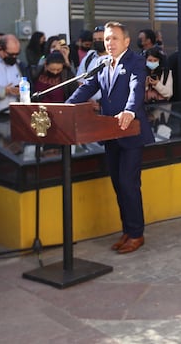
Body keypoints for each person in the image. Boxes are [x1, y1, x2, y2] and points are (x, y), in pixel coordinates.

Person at [66, 21, 154, 254]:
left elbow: (136, 88)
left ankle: (136, 234)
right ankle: (127, 230)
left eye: (114, 38)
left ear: (125, 41)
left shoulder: (135, 61)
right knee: (118, 184)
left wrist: (129, 110)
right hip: (109, 133)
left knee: (128, 183)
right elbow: (86, 88)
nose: (109, 42)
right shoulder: (100, 62)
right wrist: (65, 106)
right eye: (106, 38)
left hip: (131, 131)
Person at [76, 26, 109, 101]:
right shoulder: (89, 58)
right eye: (95, 40)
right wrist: (88, 100)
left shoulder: (116, 58)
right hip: (90, 105)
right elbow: (80, 81)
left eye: (100, 39)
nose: (97, 41)